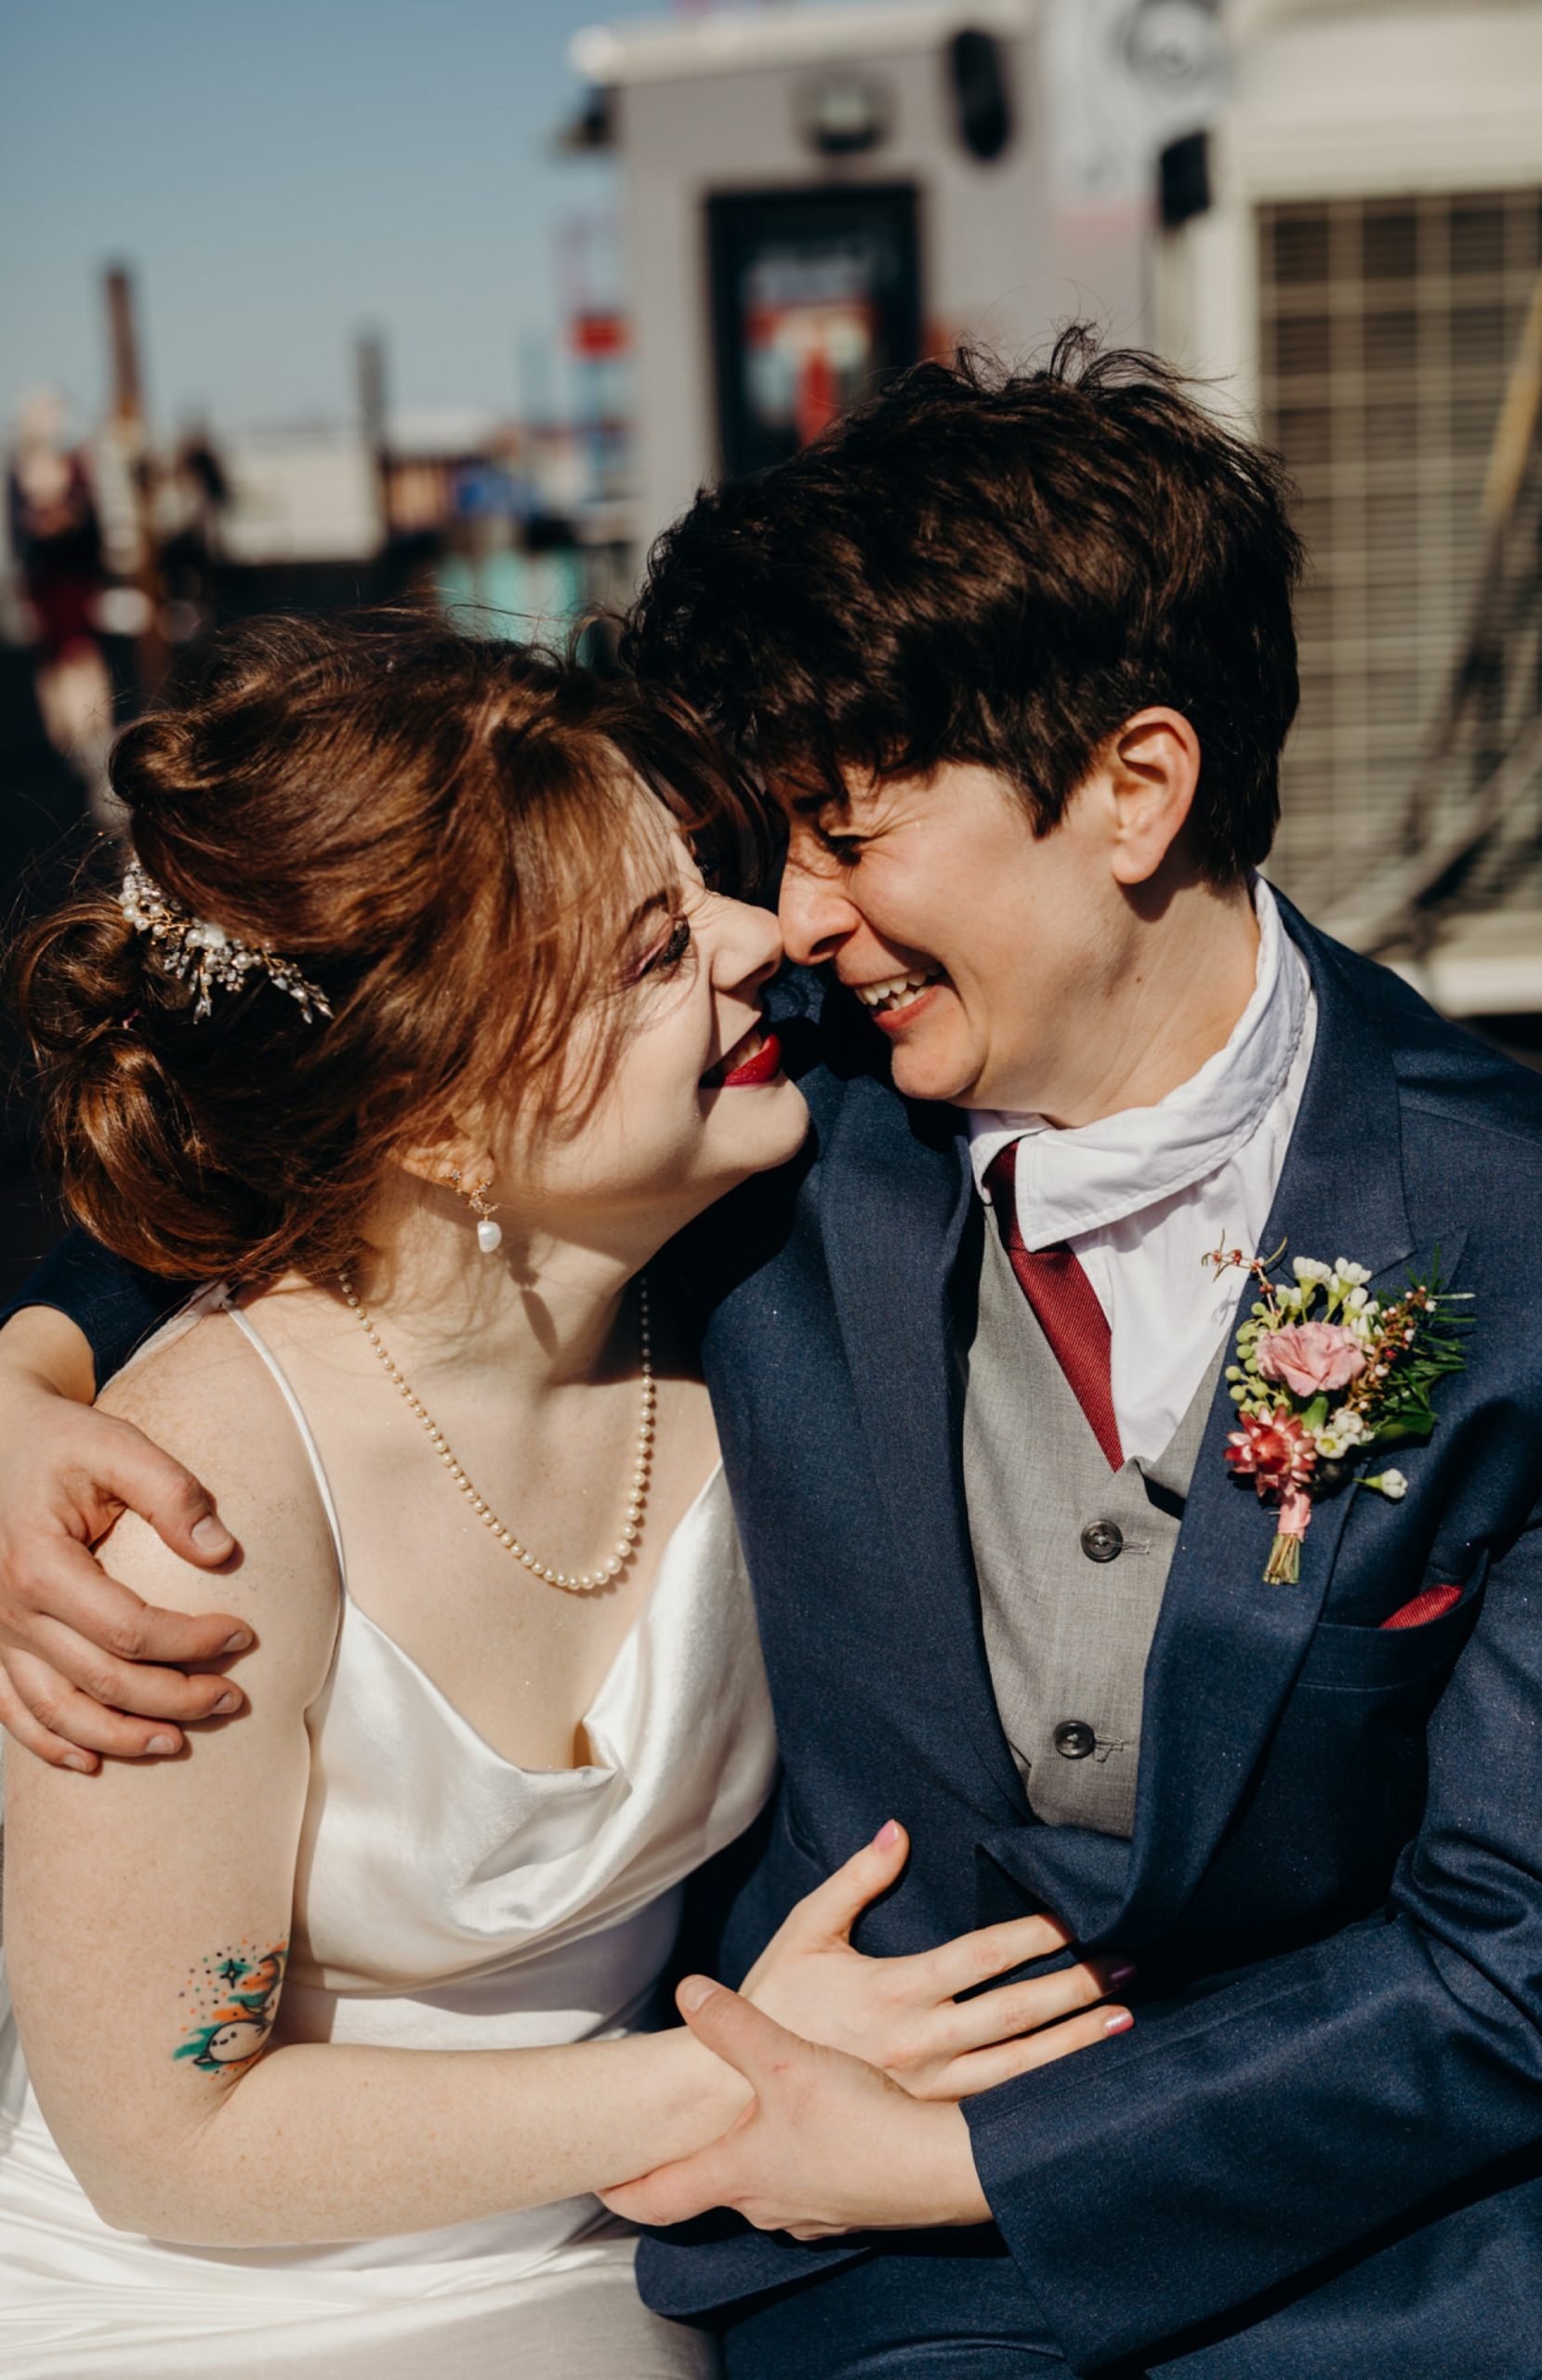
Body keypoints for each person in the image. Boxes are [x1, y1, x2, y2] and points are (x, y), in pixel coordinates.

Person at [5, 335, 1542, 2377]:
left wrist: (939, 2145)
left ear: (1132, 789)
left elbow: (1522, 1952)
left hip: (1376, 2240)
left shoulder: (1529, 1240)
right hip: (819, 2272)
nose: (785, 920)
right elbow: (344, 1168)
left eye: (844, 832)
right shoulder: (778, 1107)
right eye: (755, 861)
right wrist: (29, 1382)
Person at [0, 614, 1126, 2379]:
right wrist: (736, 2069)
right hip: (209, 2300)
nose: (769, 944)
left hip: (640, 2258)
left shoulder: (745, 1274)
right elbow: (169, 2140)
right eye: (656, 947)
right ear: (440, 1119)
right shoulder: (194, 1506)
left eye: (709, 889)